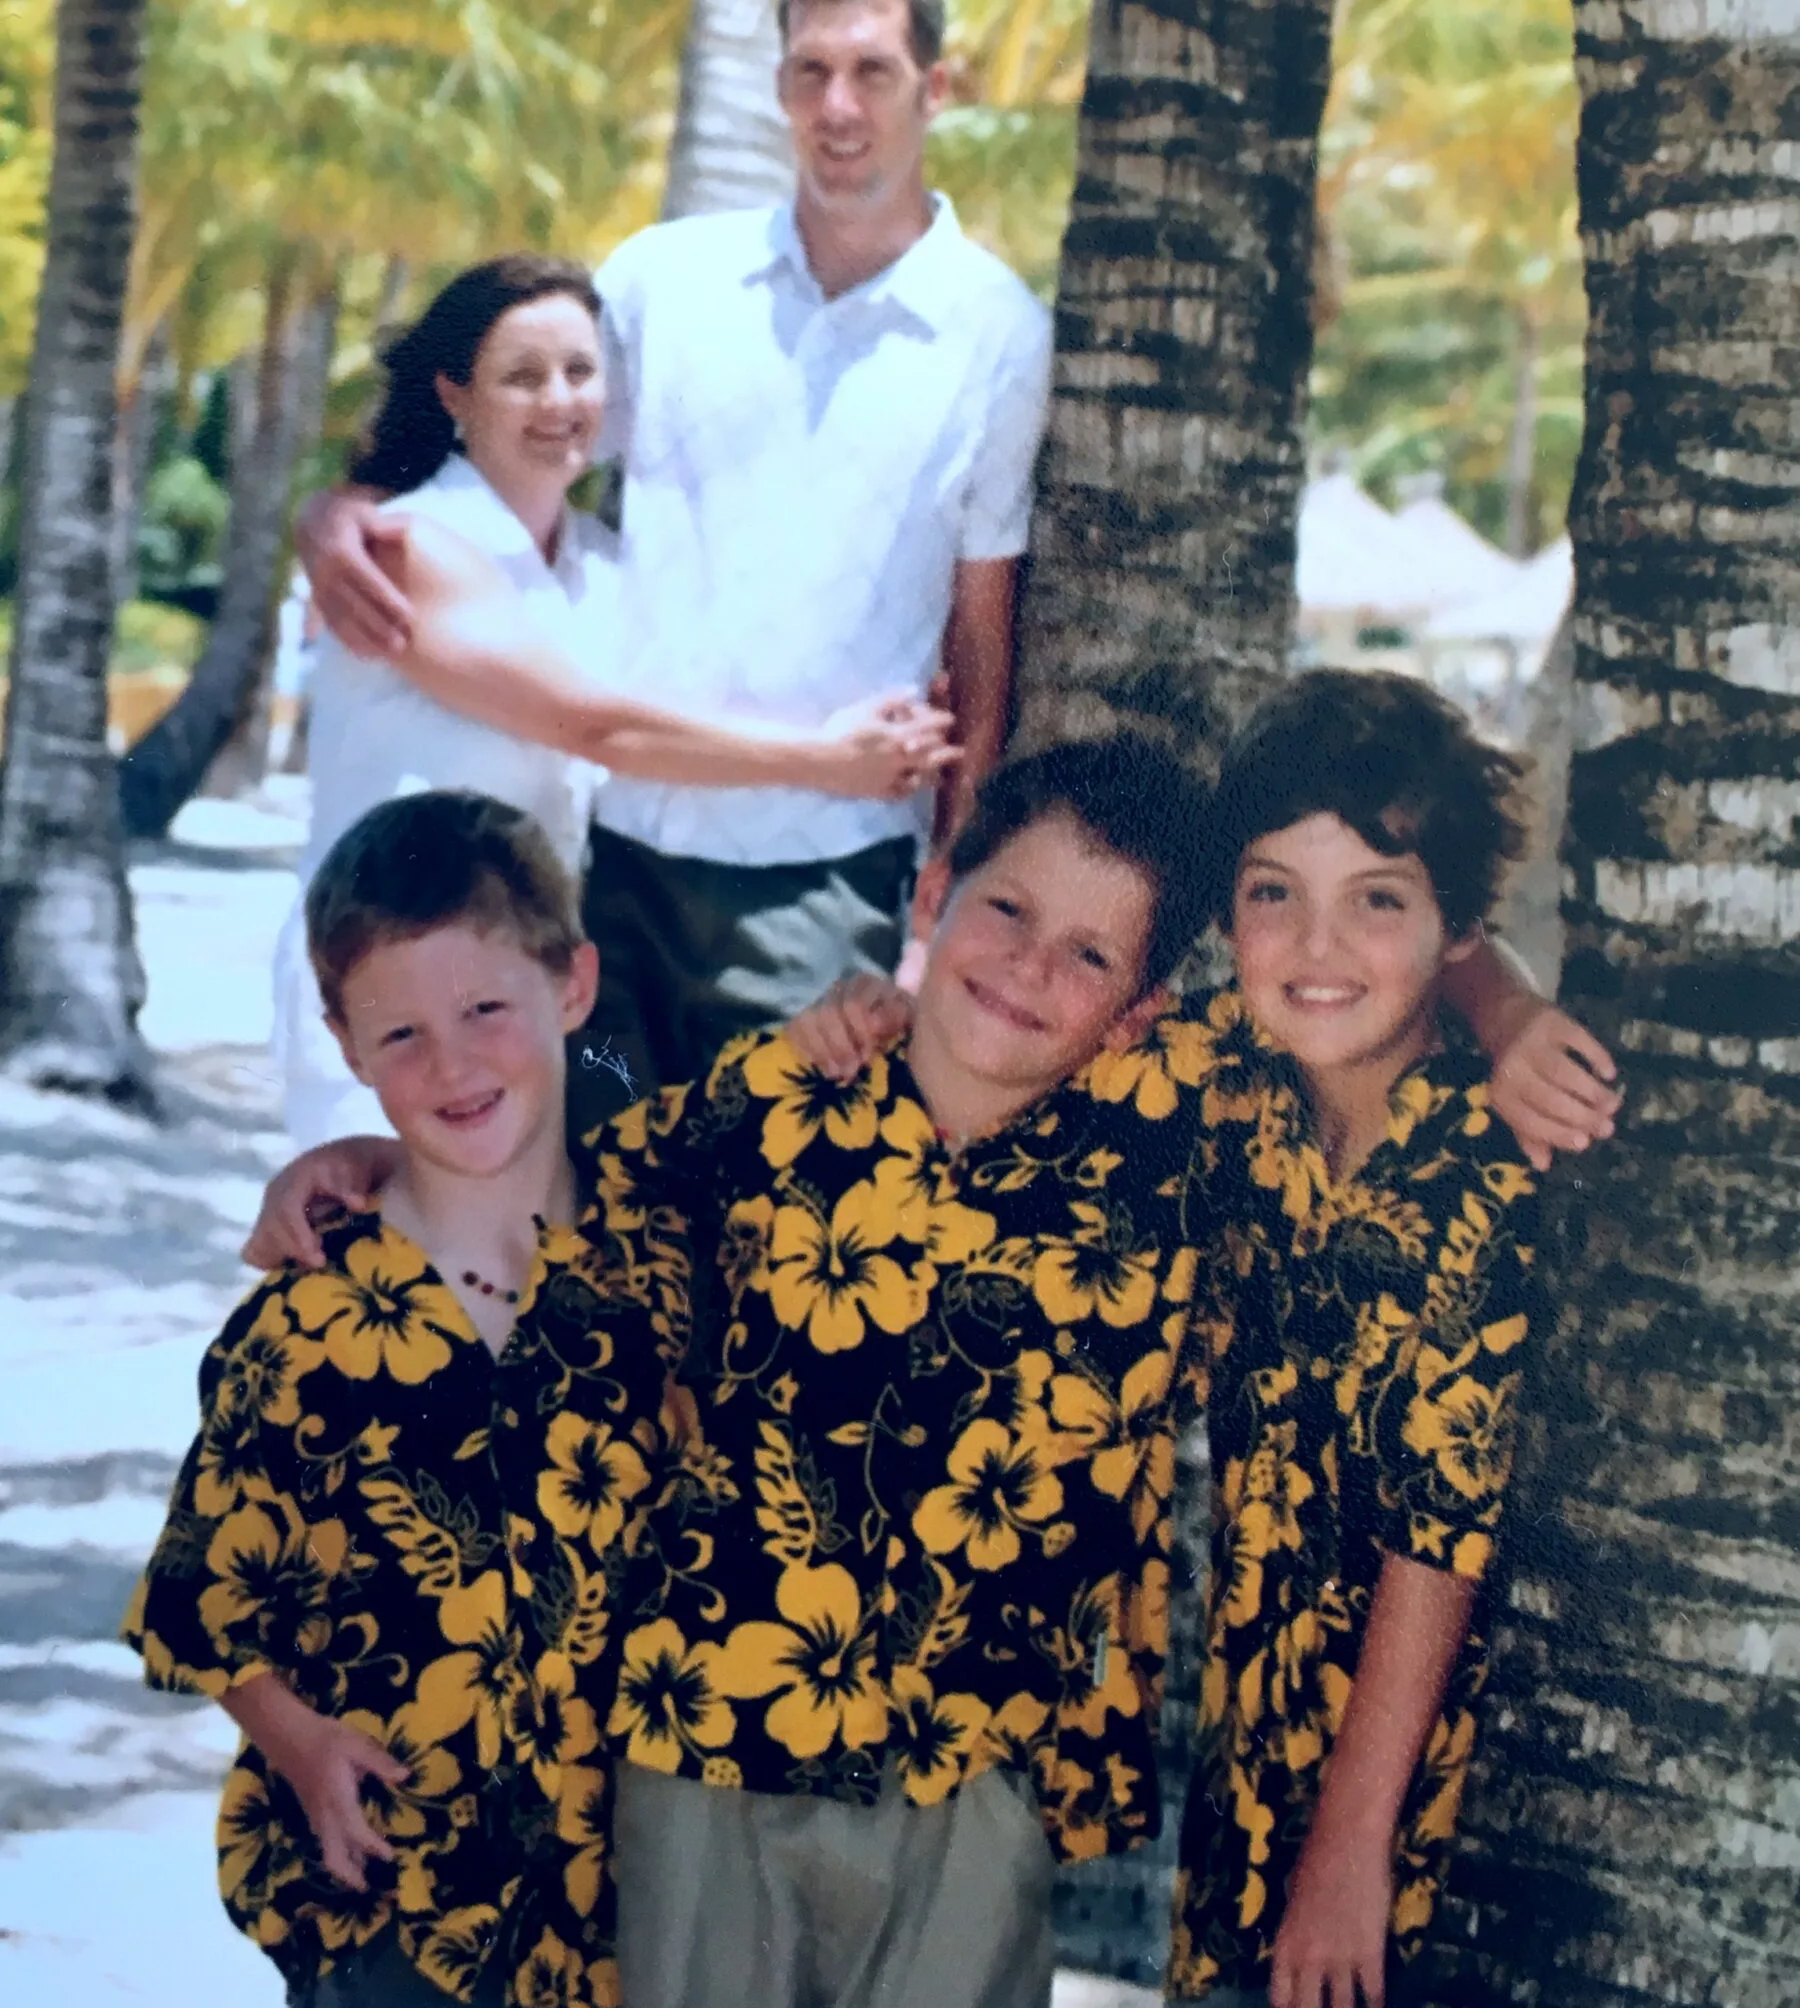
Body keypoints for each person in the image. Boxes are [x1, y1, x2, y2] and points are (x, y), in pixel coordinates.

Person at [247, 717, 1615, 2008]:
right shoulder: (784, 1097)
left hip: (980, 1769)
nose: (1028, 969)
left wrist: (1502, 1008)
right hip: (708, 1732)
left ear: (1140, 1013)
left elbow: (1381, 956)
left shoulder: (1177, 1134)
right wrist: (371, 1154)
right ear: (937, 894)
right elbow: (559, 1185)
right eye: (1007, 912)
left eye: (1091, 958)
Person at [294, 0, 1054, 1118]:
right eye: (808, 73)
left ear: (936, 89)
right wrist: (339, 507)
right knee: (597, 1192)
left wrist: (950, 882)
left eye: (872, 73)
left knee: (774, 1213)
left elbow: (983, 625)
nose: (837, 108)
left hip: (824, 883)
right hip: (611, 881)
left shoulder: (999, 331)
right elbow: (513, 438)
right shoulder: (666, 280)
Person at [126, 791, 686, 2008]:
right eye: (402, 1037)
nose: (454, 1063)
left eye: (488, 1008)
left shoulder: (662, 1290)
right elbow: (203, 1600)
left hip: (631, 1912)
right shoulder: (308, 1322)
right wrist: (300, 1743)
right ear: (344, 1044)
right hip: (391, 1911)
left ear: (572, 986)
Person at [275, 248, 953, 1146]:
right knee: (380, 1253)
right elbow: (595, 725)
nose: (559, 402)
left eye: (580, 372)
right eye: (522, 377)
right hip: (386, 973)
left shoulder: (600, 565)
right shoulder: (412, 545)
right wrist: (832, 762)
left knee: (523, 1260)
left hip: (522, 995)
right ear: (453, 394)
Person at [1161, 670, 1553, 2008]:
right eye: (1275, 893)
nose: (1317, 946)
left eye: (1376, 899)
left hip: (1405, 1813)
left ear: (1456, 926)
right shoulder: (1227, 1078)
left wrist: (1347, 1851)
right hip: (1243, 1773)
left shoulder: (1481, 1171)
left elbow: (1438, 1536)